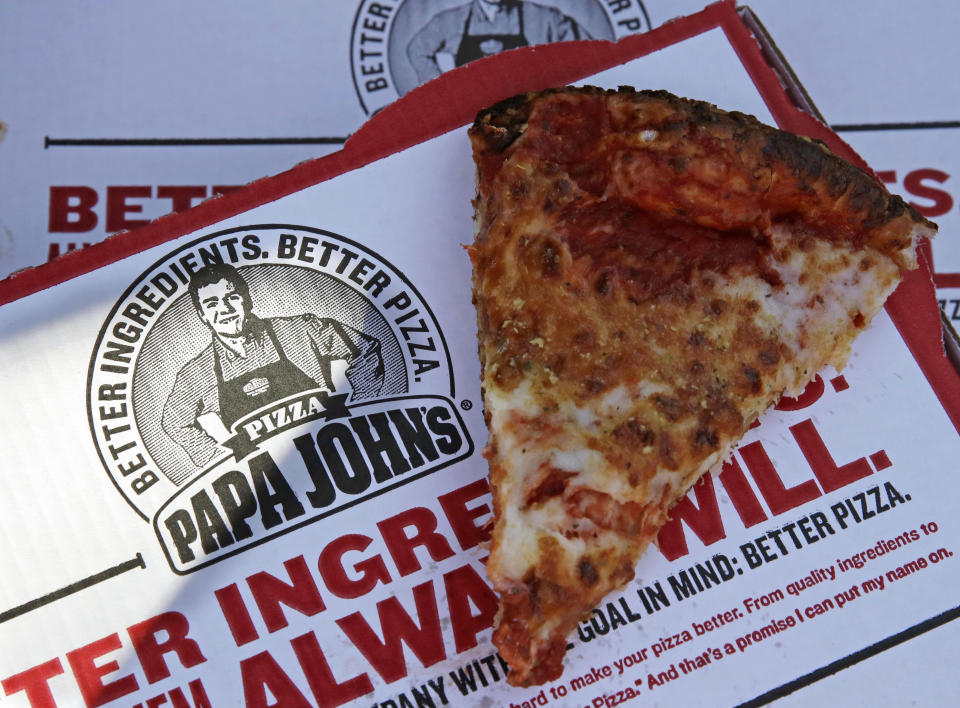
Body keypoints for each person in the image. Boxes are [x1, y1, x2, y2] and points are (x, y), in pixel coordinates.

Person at [162, 263, 384, 468]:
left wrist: (356, 408)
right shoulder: (195, 373)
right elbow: (174, 422)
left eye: (232, 297)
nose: (225, 309)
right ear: (203, 315)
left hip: (331, 452)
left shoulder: (300, 328)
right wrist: (221, 457)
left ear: (246, 300)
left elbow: (365, 349)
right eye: (212, 304)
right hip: (268, 473)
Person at [406, 0, 591, 84]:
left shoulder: (545, 18)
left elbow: (589, 51)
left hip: (529, 114)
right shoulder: (451, 20)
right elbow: (417, 50)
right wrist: (442, 86)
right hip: (470, 118)